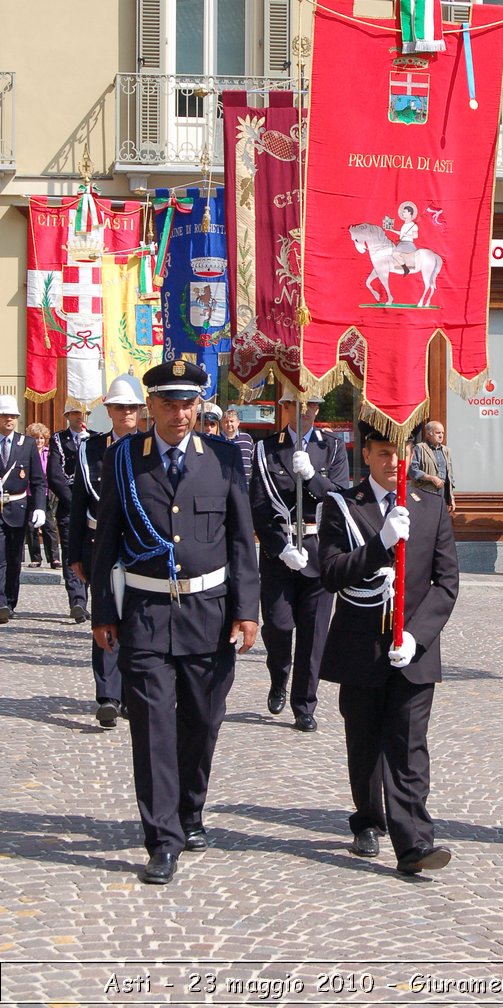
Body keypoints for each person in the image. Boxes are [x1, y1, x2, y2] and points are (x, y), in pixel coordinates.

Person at [90, 359, 260, 885]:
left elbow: (240, 540)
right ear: (151, 407)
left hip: (208, 616)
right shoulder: (124, 460)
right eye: (168, 403)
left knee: (203, 722)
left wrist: (247, 610)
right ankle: (161, 838)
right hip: (144, 615)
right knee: (153, 730)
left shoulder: (225, 459)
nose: (179, 413)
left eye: (188, 403)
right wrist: (103, 611)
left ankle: (190, 812)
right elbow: (107, 542)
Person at [318, 424, 459, 875]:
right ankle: (367, 818)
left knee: (409, 743)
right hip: (360, 643)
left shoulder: (431, 506)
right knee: (364, 741)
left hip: (413, 646)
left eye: (398, 453)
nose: (392, 463)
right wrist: (380, 544)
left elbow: (446, 582)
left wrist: (418, 634)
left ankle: (415, 842)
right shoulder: (341, 506)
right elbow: (332, 573)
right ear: (366, 453)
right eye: (381, 453)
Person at [249, 392, 349, 731]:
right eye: (296, 405)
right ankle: (279, 673)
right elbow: (259, 506)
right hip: (281, 553)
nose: (305, 412)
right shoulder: (266, 449)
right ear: (285, 408)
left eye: (311, 406)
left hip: (319, 550)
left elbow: (339, 496)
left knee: (314, 634)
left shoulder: (331, 447)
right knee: (278, 625)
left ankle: (304, 705)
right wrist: (280, 547)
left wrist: (312, 478)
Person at [68, 374, 146, 728]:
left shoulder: (149, 447)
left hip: (140, 545)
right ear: (109, 411)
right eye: (120, 407)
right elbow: (78, 504)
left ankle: (131, 692)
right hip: (99, 542)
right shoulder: (91, 449)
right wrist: (74, 555)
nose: (126, 413)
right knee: (104, 613)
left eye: (132, 408)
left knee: (136, 618)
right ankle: (108, 696)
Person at [0, 396, 46, 624]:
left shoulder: (26, 444)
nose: (9, 419)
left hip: (17, 507)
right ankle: (0, 603)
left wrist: (39, 507)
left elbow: (38, 480)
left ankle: (10, 601)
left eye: (13, 416)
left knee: (14, 558)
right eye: (5, 415)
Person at [47, 404, 91, 623]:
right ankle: (77, 601)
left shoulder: (93, 439)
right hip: (70, 504)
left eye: (84, 413)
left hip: (93, 506)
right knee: (71, 551)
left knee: (91, 551)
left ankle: (87, 597)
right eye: (75, 412)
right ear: (67, 416)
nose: (80, 416)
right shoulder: (58, 439)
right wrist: (75, 503)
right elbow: (54, 475)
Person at [25, 423, 61, 569]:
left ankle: (54, 558)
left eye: (41, 438)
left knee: (49, 526)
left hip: (46, 493)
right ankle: (35, 558)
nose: (38, 441)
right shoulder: (25, 452)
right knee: (31, 526)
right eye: (35, 438)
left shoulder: (49, 453)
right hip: (28, 493)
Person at [408, 421, 456, 514]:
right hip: (425, 492)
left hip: (442, 494)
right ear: (429, 434)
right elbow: (412, 471)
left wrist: (451, 498)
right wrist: (431, 478)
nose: (441, 435)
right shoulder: (419, 448)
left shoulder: (446, 450)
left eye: (442, 433)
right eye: (438, 433)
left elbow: (450, 476)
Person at [222, 408, 255, 484]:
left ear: (238, 423)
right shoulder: (217, 439)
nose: (229, 424)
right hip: (224, 486)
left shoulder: (247, 439)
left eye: (231, 421)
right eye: (226, 422)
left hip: (245, 485)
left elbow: (254, 461)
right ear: (222, 424)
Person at [387, 200, 419, 274]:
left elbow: (415, 236)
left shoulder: (413, 225)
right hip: (402, 243)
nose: (403, 213)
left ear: (410, 213)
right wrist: (391, 230)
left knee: (395, 254)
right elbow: (401, 234)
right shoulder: (405, 225)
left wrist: (407, 235)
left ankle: (405, 268)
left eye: (404, 212)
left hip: (408, 244)